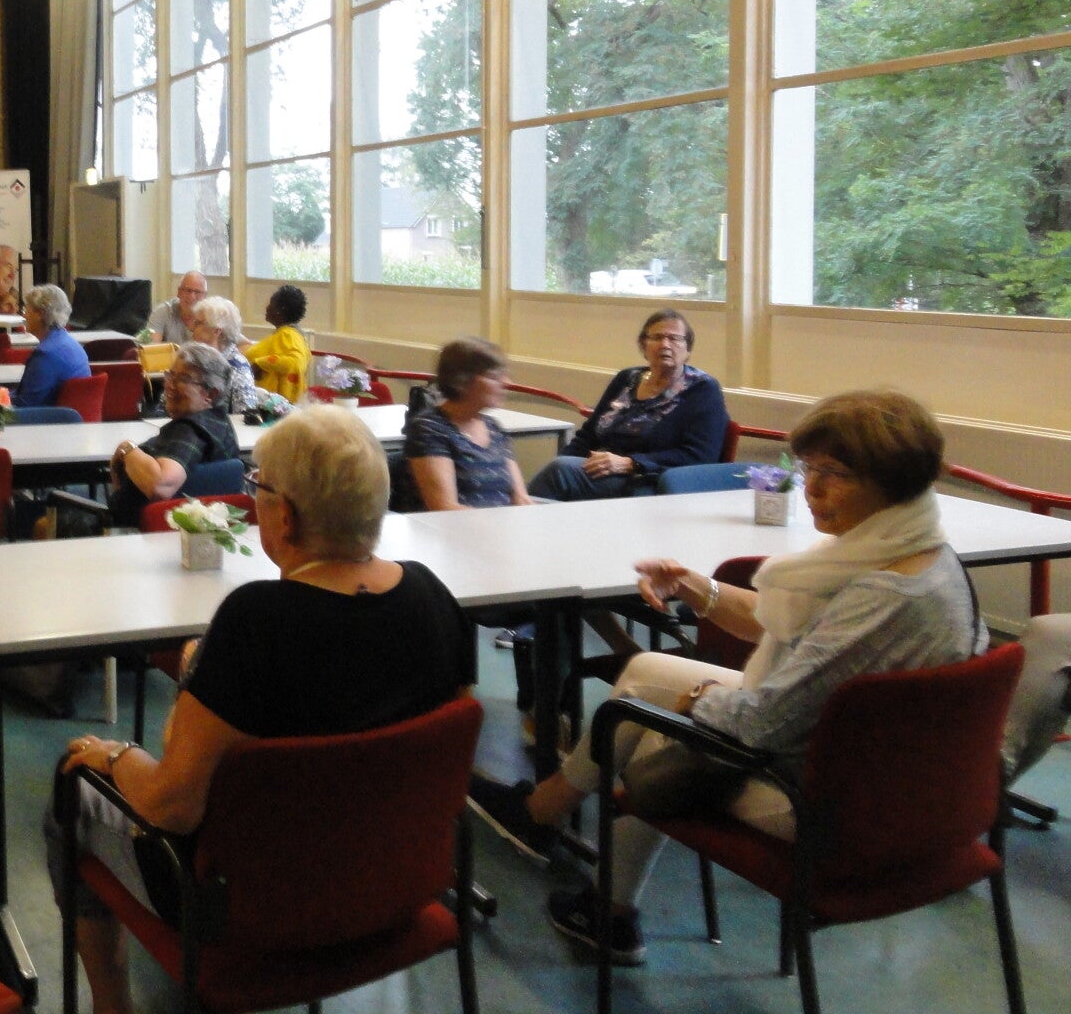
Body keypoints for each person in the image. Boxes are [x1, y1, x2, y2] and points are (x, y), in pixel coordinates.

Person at [468, 390, 986, 967]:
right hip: (903, 779)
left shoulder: (882, 597)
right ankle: (550, 822)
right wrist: (697, 587)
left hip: (835, 803)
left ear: (891, 480)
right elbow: (790, 629)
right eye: (810, 468)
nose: (811, 488)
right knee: (643, 672)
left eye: (835, 474)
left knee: (650, 732)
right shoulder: (916, 553)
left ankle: (593, 888)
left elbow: (762, 723)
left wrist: (698, 699)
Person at [51, 407, 476, 1014]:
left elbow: (173, 805)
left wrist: (115, 755)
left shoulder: (255, 623)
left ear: (286, 516)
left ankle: (111, 1004)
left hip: (250, 910)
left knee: (70, 787)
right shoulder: (434, 598)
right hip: (397, 885)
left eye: (259, 488)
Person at [527, 308, 728, 501]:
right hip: (603, 471)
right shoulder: (627, 378)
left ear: (688, 349)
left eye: (674, 338)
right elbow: (588, 435)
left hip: (652, 481)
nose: (665, 344)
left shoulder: (702, 389)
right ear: (643, 346)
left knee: (559, 473)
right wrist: (564, 459)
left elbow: (700, 455)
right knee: (558, 467)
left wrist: (631, 463)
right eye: (657, 337)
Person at [105, 344, 242, 526]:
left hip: (139, 531)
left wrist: (127, 448)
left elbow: (161, 486)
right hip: (198, 530)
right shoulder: (219, 423)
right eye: (170, 375)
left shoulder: (189, 430)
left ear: (211, 393)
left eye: (183, 379)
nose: (169, 385)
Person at [404, 337, 532, 511]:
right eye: (494, 377)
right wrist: (498, 525)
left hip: (501, 524)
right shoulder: (429, 428)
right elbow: (444, 507)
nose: (507, 383)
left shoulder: (494, 428)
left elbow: (521, 499)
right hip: (455, 527)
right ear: (461, 382)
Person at [13, 284, 90, 409]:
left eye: (27, 310)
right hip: (71, 417)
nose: (24, 316)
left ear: (40, 314)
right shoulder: (73, 345)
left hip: (45, 418)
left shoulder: (45, 355)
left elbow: (26, 404)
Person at [187, 296, 256, 413]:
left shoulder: (237, 367)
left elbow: (245, 415)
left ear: (216, 330)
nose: (192, 328)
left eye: (198, 323)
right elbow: (165, 403)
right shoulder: (192, 359)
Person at [245, 284, 309, 403]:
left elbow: (296, 362)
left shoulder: (289, 334)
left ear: (281, 310)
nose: (267, 308)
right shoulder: (283, 334)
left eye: (271, 304)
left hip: (276, 406)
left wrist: (260, 364)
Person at [145, 271, 208, 347]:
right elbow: (151, 348)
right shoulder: (162, 312)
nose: (192, 296)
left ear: (205, 296)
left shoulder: (210, 317)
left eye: (197, 292)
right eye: (188, 290)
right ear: (179, 292)